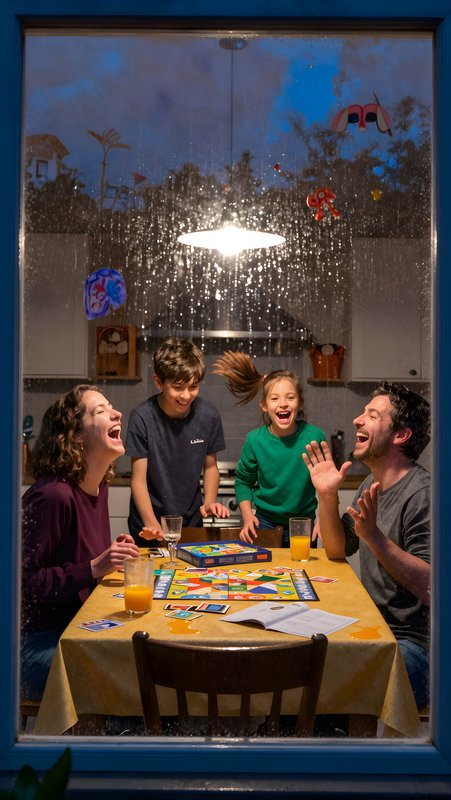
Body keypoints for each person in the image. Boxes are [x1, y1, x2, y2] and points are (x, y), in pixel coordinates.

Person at [302, 381, 431, 709]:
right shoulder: (370, 484)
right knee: (302, 663)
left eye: (371, 415)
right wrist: (326, 495)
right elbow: (337, 549)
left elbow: (432, 586)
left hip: (417, 645)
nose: (357, 420)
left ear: (400, 435)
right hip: (375, 627)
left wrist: (375, 538)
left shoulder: (422, 494)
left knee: (319, 689)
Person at [21, 385, 141, 700]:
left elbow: (76, 561)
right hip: (34, 644)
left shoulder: (98, 487)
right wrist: (93, 566)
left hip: (77, 628)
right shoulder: (52, 495)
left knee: (147, 660)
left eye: (112, 407)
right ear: (75, 436)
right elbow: (20, 582)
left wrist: (107, 557)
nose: (117, 413)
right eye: (101, 411)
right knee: (133, 680)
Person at [213, 350, 325, 546]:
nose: (283, 404)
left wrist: (323, 517)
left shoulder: (315, 437)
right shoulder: (255, 440)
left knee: (303, 573)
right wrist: (247, 517)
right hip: (264, 523)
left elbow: (327, 485)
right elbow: (243, 483)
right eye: (274, 399)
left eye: (290, 397)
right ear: (264, 405)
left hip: (303, 524)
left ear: (300, 403)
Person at [125, 337, 229, 545]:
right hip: (148, 525)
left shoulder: (209, 415)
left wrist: (209, 502)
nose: (186, 395)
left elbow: (210, 467)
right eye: (178, 387)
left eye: (193, 386)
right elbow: (138, 480)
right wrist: (152, 523)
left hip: (190, 524)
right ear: (158, 382)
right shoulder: (142, 418)